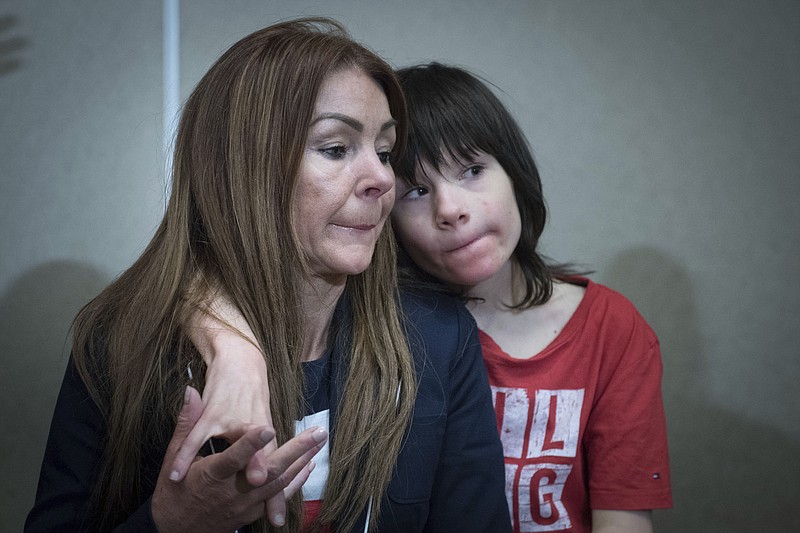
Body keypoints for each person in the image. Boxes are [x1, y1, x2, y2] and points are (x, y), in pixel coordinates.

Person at [25, 21, 510, 533]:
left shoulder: (439, 337)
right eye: (336, 148)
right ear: (246, 167)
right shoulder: (121, 346)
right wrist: (170, 521)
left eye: (385, 152)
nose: (383, 178)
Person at [185, 62, 673, 533]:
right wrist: (230, 346)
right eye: (416, 190)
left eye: (473, 170)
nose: (451, 209)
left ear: (515, 172)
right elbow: (198, 276)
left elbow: (623, 515)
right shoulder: (391, 324)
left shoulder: (610, 326)